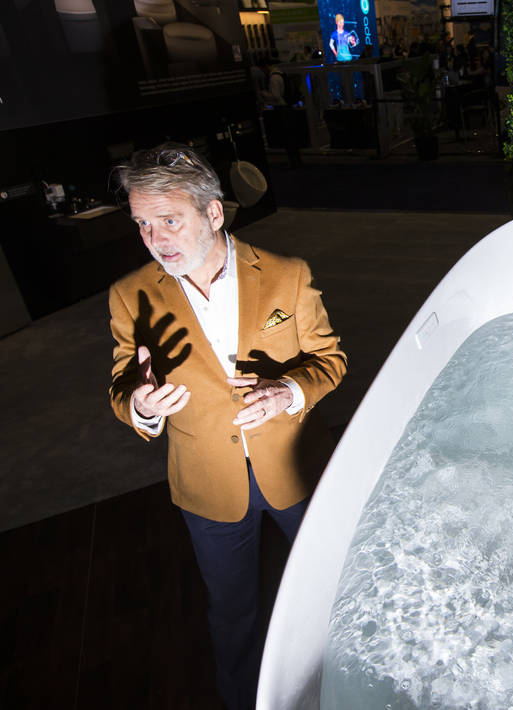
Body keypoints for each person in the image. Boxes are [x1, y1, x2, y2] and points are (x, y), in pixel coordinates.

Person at [108, 143, 346, 710]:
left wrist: (288, 391)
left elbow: (330, 360)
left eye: (170, 220)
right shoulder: (130, 294)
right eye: (143, 224)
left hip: (298, 471)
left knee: (332, 590)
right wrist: (142, 405)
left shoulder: (288, 275)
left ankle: (340, 685)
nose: (156, 238)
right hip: (207, 485)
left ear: (213, 212)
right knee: (232, 611)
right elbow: (123, 385)